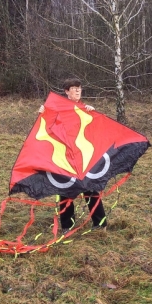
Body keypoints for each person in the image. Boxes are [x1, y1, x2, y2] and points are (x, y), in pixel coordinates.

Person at [39, 78, 108, 235]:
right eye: (74, 88)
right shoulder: (58, 109)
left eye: (79, 88)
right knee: (65, 190)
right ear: (67, 91)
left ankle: (100, 223)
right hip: (65, 157)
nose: (77, 91)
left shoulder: (85, 109)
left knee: (90, 189)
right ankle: (67, 226)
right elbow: (47, 126)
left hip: (83, 157)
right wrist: (43, 113)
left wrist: (93, 113)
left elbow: (95, 129)